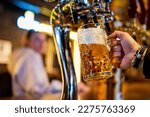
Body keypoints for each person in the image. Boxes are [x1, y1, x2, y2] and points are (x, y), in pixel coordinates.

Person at [8, 30, 62, 99]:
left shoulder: (24, 55)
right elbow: (36, 90)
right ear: (27, 41)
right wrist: (64, 86)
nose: (42, 43)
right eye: (37, 39)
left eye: (44, 40)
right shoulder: (30, 56)